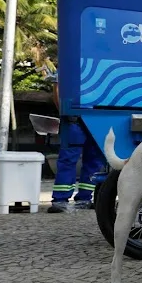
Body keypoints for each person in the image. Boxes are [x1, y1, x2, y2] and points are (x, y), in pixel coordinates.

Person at [48, 71, 105, 213]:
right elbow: (57, 90)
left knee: (93, 161)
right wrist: (64, 111)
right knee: (70, 159)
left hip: (91, 119)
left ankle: (83, 198)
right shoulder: (70, 66)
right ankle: (62, 199)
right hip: (77, 120)